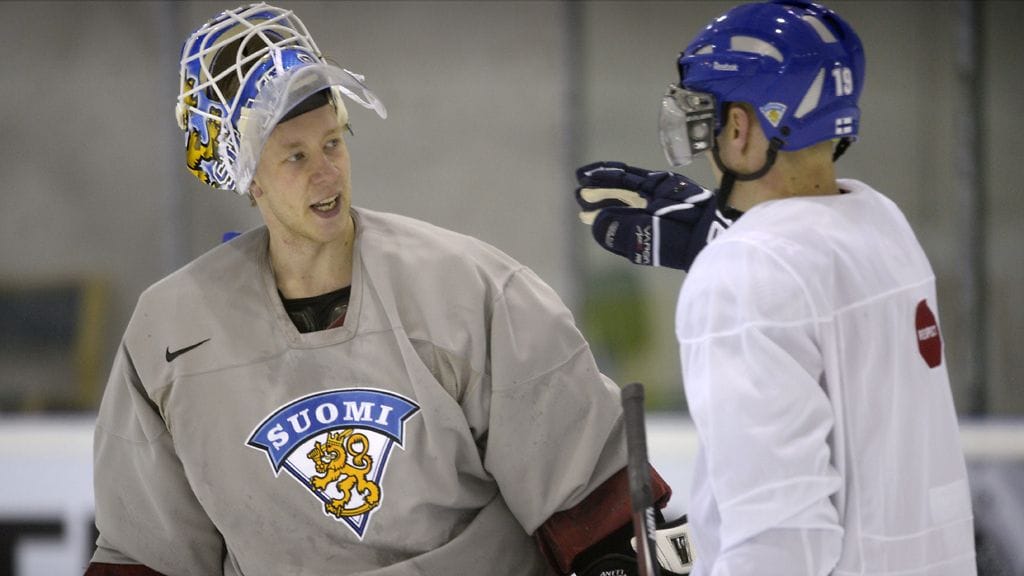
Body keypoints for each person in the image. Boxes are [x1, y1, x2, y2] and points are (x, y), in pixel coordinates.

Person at [85, 3, 692, 575]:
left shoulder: (469, 290)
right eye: (294, 157)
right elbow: (148, 553)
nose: (326, 172)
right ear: (246, 179)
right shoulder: (170, 333)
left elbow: (594, 504)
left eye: (333, 142)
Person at [573, 1, 977, 574]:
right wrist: (721, 240)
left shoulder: (742, 275)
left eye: (704, 114)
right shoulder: (883, 226)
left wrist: (730, 256)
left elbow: (783, 541)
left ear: (739, 126)